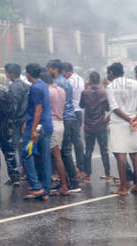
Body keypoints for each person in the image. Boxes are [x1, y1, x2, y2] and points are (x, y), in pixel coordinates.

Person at [106, 62, 137, 195]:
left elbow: (114, 107)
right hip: (134, 122)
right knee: (134, 154)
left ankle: (123, 188)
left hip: (119, 123)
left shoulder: (111, 86)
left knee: (121, 153)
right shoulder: (135, 83)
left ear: (111, 73)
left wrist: (129, 119)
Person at [20, 63, 54, 200]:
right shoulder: (44, 85)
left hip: (37, 127)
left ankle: (36, 186)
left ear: (28, 74)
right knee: (45, 158)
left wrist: (33, 129)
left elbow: (37, 110)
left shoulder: (35, 88)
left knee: (26, 154)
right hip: (47, 126)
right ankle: (45, 190)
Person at [47, 60, 82, 191]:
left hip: (64, 119)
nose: (47, 72)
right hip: (69, 118)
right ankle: (67, 181)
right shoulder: (64, 81)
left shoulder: (57, 83)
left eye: (49, 69)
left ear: (54, 69)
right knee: (63, 152)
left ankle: (73, 183)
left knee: (64, 152)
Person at [41, 71, 72, 195]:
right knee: (56, 154)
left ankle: (64, 185)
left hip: (52, 123)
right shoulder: (61, 90)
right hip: (60, 123)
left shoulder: (47, 92)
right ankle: (62, 182)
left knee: (56, 155)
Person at [81, 71, 111, 181]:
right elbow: (108, 108)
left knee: (88, 150)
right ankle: (107, 174)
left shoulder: (85, 92)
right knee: (104, 150)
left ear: (90, 80)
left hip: (89, 125)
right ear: (99, 80)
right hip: (101, 125)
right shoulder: (104, 93)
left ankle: (88, 175)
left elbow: (81, 105)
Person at [5, 63, 29, 181]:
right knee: (24, 146)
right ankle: (25, 171)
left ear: (10, 73)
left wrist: (10, 123)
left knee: (13, 147)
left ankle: (17, 173)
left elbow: (13, 107)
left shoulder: (13, 87)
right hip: (25, 120)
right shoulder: (26, 86)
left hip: (16, 121)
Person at [63, 61, 86, 175]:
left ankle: (77, 167)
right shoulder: (80, 78)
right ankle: (80, 166)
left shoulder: (70, 82)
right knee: (76, 140)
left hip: (72, 112)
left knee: (72, 141)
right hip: (78, 111)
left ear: (67, 72)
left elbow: (67, 98)